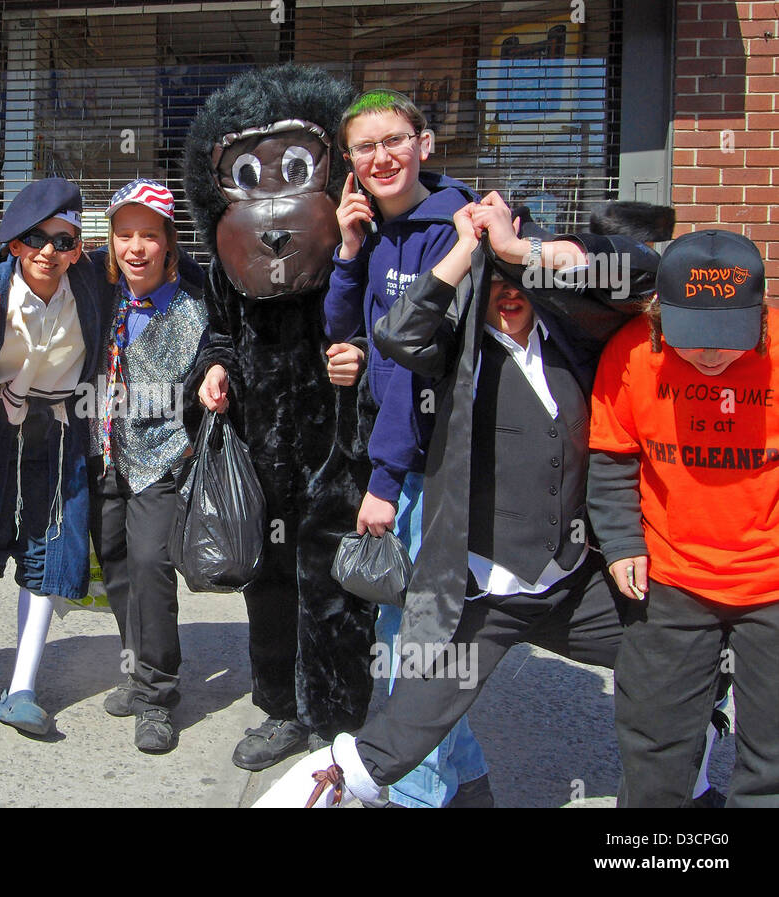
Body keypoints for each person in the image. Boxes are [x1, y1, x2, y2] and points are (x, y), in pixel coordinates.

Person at [253, 194, 660, 808]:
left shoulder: (576, 341)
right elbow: (396, 332)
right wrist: (466, 249)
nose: (509, 291)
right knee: (399, 735)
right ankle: (321, 791)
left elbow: (644, 271)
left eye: (519, 277)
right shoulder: (455, 355)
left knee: (672, 656)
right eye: (492, 281)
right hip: (481, 593)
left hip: (572, 584)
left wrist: (520, 250)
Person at [186, 65, 375, 771]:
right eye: (249, 169)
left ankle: (339, 712)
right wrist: (212, 371)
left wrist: (353, 354)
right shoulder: (221, 269)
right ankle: (279, 706)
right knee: (267, 581)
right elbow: (219, 336)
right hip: (260, 447)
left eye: (295, 164)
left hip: (339, 442)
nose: (273, 189)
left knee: (340, 578)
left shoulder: (358, 250)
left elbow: (388, 329)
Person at [321, 87, 487, 807]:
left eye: (395, 140)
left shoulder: (452, 226)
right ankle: (467, 783)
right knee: (409, 628)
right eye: (366, 146)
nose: (382, 156)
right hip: (395, 449)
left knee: (415, 647)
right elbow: (342, 324)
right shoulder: (379, 232)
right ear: (350, 164)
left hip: (433, 463)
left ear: (422, 143)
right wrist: (350, 251)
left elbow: (425, 367)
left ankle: (417, 794)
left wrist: (385, 481)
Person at [588, 230, 779, 807]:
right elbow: (613, 456)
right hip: (670, 579)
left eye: (729, 338)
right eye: (695, 339)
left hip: (772, 582)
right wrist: (621, 542)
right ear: (659, 315)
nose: (713, 355)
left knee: (771, 749)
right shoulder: (631, 354)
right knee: (655, 743)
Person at [0, 178, 104, 744]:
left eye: (65, 240)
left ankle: (22, 688)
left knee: (48, 545)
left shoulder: (95, 282)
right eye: (36, 239)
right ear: (13, 243)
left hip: (57, 429)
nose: (50, 253)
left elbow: (177, 271)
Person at [88, 180, 207, 753]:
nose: (136, 247)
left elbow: (223, 349)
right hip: (105, 453)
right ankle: (137, 672)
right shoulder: (99, 294)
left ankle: (158, 695)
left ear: (169, 244)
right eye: (124, 234)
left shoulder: (193, 308)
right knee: (114, 563)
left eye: (149, 235)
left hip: (163, 459)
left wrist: (215, 375)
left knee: (151, 565)